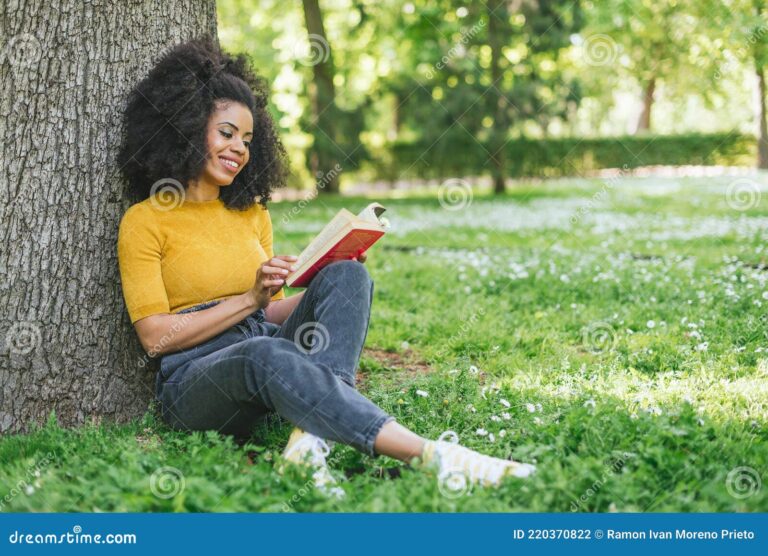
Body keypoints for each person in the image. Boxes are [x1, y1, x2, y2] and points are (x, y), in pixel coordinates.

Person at [116, 38, 535, 498]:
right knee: (266, 354)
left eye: (249, 140)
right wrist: (248, 300)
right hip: (194, 384)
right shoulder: (146, 221)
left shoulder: (250, 214)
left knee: (348, 277)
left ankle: (310, 440)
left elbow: (269, 314)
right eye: (227, 133)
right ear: (188, 128)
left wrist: (328, 277)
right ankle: (433, 455)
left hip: (265, 353)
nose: (240, 148)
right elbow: (155, 338)